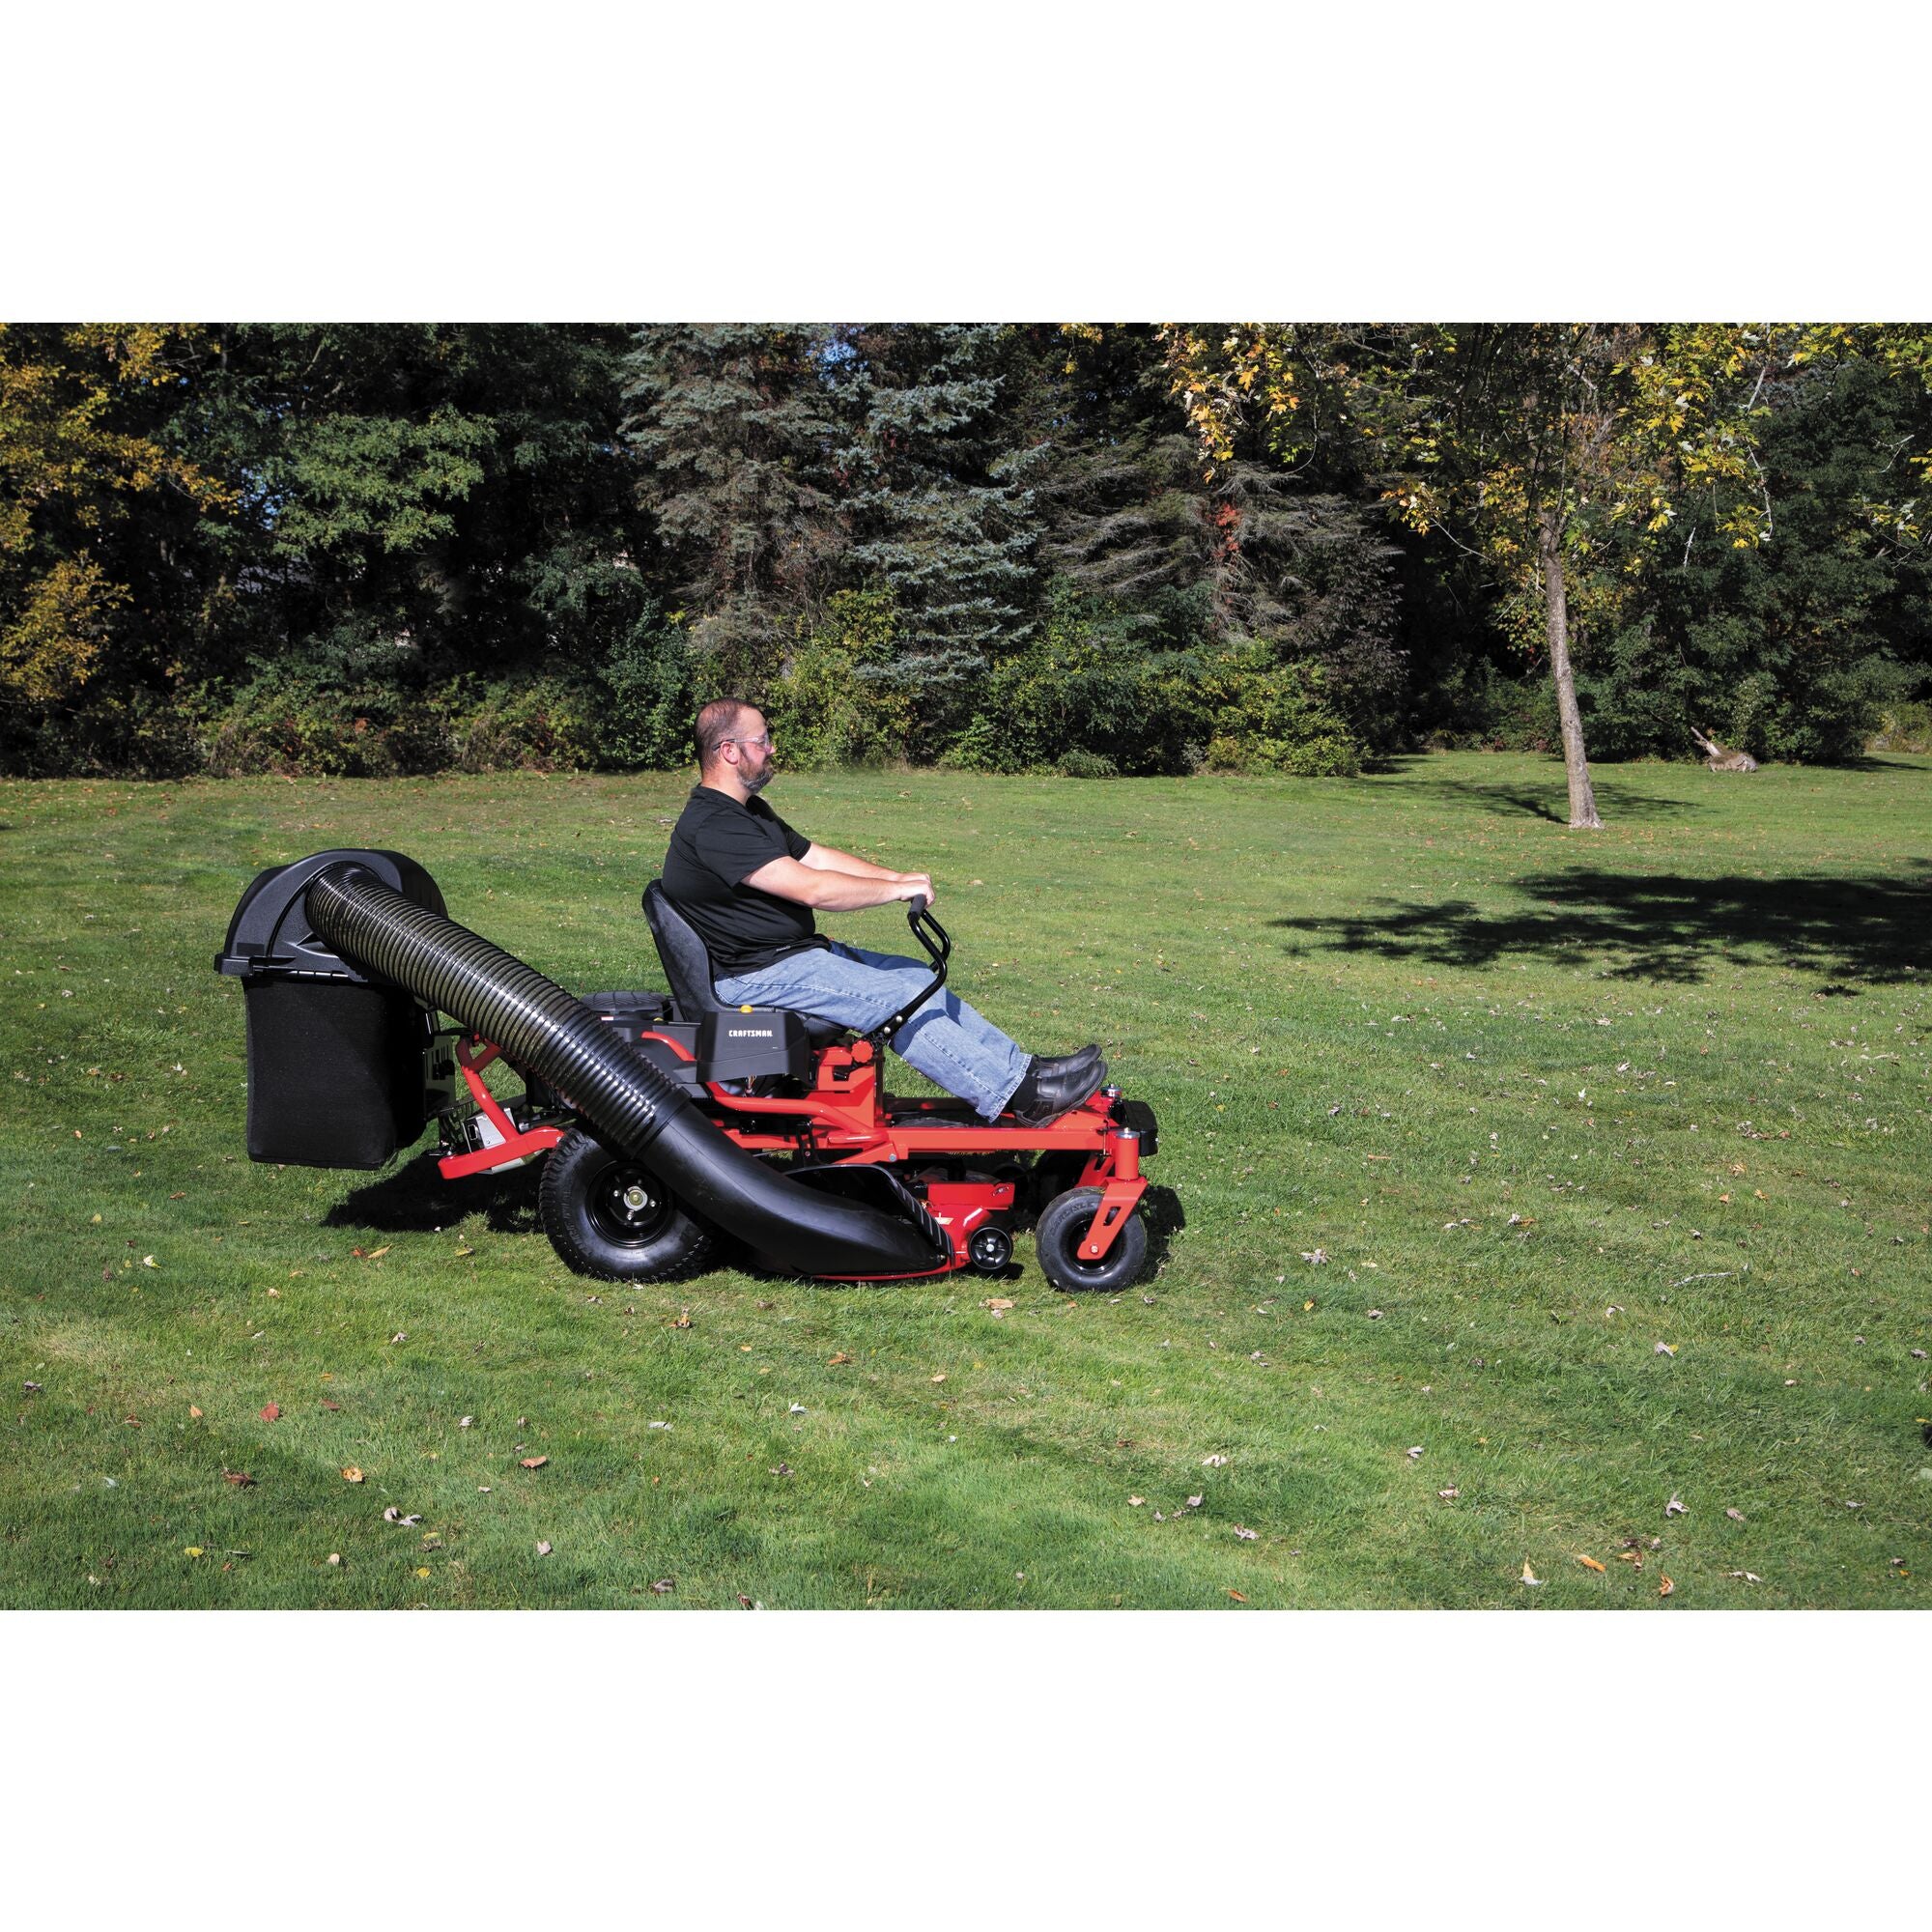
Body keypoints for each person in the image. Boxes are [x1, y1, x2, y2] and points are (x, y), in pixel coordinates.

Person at [660, 697, 1105, 1124]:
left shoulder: (747, 812)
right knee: (896, 999)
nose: (772, 748)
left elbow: (815, 856)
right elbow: (813, 888)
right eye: (762, 741)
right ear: (729, 752)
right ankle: (1016, 1096)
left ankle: (1026, 1071)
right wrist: (891, 893)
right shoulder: (715, 824)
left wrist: (896, 878)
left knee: (917, 978)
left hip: (789, 956)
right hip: (751, 976)